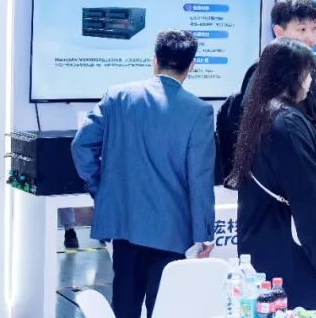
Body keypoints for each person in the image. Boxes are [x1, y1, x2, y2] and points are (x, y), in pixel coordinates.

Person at [71, 30, 215, 318]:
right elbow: (200, 180)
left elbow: (81, 146)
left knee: (124, 307)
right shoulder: (199, 112)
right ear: (191, 66)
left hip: (125, 226)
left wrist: (102, 191)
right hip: (172, 231)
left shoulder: (118, 96)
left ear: (154, 60)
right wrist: (204, 234)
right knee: (164, 310)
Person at [231, 38, 316, 311]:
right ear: (291, 75)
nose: (310, 81)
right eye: (307, 73)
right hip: (294, 252)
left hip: (266, 242)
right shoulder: (287, 122)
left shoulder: (262, 112)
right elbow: (308, 195)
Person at [226, 0, 316, 204]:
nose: (311, 38)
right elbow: (266, 137)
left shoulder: (309, 68)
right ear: (279, 32)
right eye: (302, 29)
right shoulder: (262, 72)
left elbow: (304, 121)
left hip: (304, 179)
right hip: (277, 193)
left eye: (315, 29)